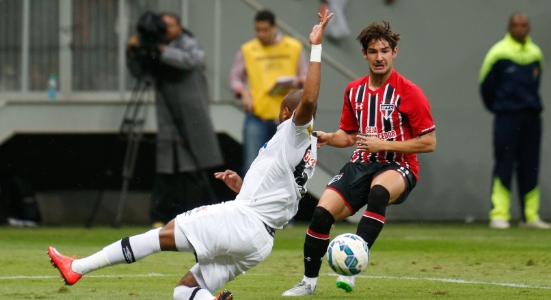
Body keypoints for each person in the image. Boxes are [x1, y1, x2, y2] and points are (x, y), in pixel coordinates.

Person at [47, 10, 334, 300]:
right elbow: (280, 191)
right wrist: (244, 187)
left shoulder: (293, 130)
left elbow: (308, 99)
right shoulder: (306, 149)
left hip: (243, 222)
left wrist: (316, 46)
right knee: (185, 291)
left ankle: (78, 266)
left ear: (287, 113)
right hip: (261, 240)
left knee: (163, 234)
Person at [282, 20, 436, 296]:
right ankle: (308, 282)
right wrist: (330, 137)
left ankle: (351, 269)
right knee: (320, 214)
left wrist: (385, 144)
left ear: (394, 53)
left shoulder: (409, 92)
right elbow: (350, 135)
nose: (379, 57)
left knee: (378, 193)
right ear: (364, 54)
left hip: (399, 166)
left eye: (385, 51)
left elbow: (429, 142)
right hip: (361, 163)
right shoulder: (354, 90)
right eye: (373, 51)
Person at [128, 12, 224, 228]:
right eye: (162, 26)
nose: (165, 30)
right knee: (166, 170)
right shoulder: (154, 47)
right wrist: (133, 51)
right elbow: (141, 75)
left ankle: (196, 215)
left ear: (179, 27)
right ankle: (160, 217)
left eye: (169, 26)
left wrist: (162, 50)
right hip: (168, 119)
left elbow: (191, 60)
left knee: (192, 168)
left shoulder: (187, 43)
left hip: (191, 116)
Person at [479, 13, 550, 230]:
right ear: (509, 27)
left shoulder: (536, 53)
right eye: (516, 25)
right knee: (504, 162)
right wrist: (501, 108)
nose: (520, 28)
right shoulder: (498, 53)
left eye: (524, 25)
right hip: (507, 118)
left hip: (531, 118)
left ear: (528, 28)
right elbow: (486, 86)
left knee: (530, 165)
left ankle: (530, 216)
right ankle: (499, 214)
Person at [230, 9, 309, 176]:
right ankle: (251, 201)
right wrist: (244, 93)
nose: (261, 34)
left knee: (289, 167)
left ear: (275, 27)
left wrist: (296, 81)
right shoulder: (248, 49)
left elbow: (306, 77)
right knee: (253, 167)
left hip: (289, 119)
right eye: (257, 30)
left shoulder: (293, 47)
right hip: (258, 116)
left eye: (265, 30)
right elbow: (235, 78)